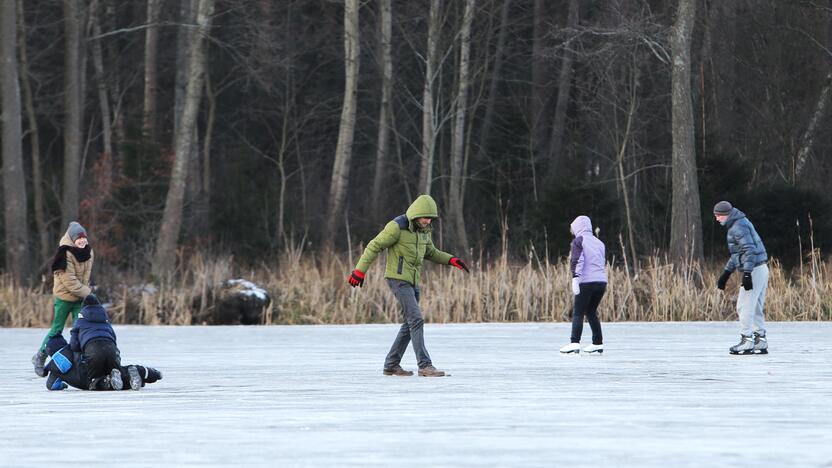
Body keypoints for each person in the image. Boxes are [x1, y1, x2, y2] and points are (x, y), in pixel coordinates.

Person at [347, 195, 469, 377]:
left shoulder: (424, 231)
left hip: (413, 281)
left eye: (430, 218)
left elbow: (431, 252)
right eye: (425, 217)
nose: (428, 221)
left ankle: (391, 364)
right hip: (397, 279)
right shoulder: (397, 227)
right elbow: (374, 245)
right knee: (416, 319)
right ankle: (425, 365)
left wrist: (451, 259)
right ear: (416, 215)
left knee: (409, 323)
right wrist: (359, 271)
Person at [32, 222, 94, 376]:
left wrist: (86, 293)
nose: (82, 241)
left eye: (83, 237)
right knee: (57, 329)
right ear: (72, 239)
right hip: (64, 298)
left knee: (79, 329)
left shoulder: (89, 252)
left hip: (80, 298)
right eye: (78, 238)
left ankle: (79, 361)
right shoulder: (64, 254)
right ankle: (40, 356)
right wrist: (88, 293)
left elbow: (85, 276)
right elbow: (70, 281)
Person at [713, 201, 769, 355]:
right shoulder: (739, 223)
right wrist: (726, 274)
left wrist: (747, 273)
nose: (716, 218)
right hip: (761, 268)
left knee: (744, 305)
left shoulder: (737, 227)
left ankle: (747, 340)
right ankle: (760, 339)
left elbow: (749, 250)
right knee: (755, 306)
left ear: (726, 215)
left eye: (718, 215)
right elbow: (738, 254)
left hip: (755, 269)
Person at [43, 334, 162, 391]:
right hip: (92, 368)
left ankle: (109, 382)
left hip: (85, 382)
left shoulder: (54, 369)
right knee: (120, 373)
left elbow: (52, 386)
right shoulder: (74, 349)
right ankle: (148, 373)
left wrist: (63, 385)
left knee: (105, 384)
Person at [560, 215, 607, 355]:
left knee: (578, 312)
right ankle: (597, 343)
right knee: (591, 312)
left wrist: (575, 278)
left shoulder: (578, 241)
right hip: (601, 282)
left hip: (586, 282)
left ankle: (574, 342)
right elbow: (601, 261)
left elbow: (577, 260)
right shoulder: (599, 243)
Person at [70, 294, 122, 383]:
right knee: (112, 374)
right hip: (111, 348)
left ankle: (104, 382)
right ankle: (128, 376)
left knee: (94, 382)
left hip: (93, 350)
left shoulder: (80, 322)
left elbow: (74, 345)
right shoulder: (105, 320)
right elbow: (114, 337)